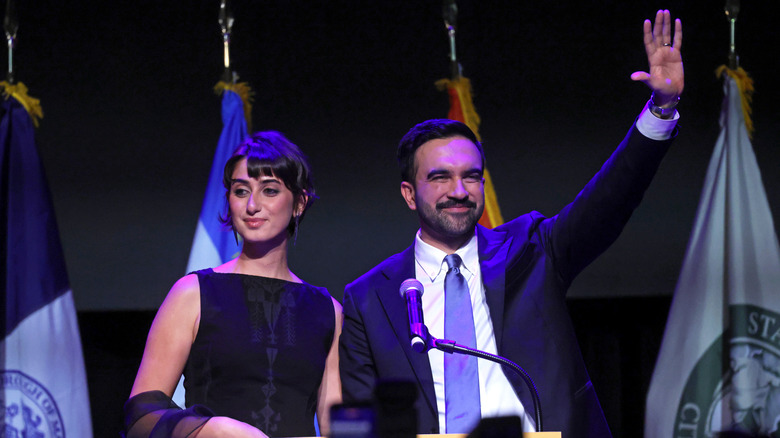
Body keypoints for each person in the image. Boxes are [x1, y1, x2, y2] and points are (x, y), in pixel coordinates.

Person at [338, 9, 683, 438]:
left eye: (470, 177)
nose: (459, 190)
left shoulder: (532, 250)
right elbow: (361, 418)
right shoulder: (370, 298)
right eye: (440, 177)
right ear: (409, 194)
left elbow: (610, 200)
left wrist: (661, 107)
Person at [124, 132, 342, 438]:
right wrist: (213, 429)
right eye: (241, 191)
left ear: (299, 203)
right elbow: (140, 417)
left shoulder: (327, 310)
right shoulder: (193, 293)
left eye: (269, 190)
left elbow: (338, 426)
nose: (252, 205)